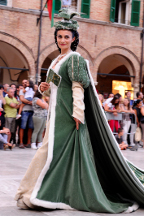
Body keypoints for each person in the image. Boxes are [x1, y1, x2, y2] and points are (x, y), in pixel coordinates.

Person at [15, 9, 144, 213]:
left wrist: (78, 113)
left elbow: (78, 88)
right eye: (59, 36)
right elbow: (52, 89)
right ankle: (40, 192)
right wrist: (42, 88)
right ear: (56, 38)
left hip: (67, 116)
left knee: (47, 153)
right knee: (50, 153)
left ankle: (40, 194)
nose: (63, 40)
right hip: (55, 115)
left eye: (67, 36)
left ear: (74, 38)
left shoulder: (74, 58)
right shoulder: (56, 60)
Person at [18, 80, 34, 149]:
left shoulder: (32, 90)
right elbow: (22, 99)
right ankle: (21, 143)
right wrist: (30, 102)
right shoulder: (22, 91)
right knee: (22, 127)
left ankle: (28, 143)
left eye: (26, 82)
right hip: (25, 111)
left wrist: (31, 102)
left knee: (30, 127)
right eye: (24, 83)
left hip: (32, 111)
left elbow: (35, 100)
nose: (25, 84)